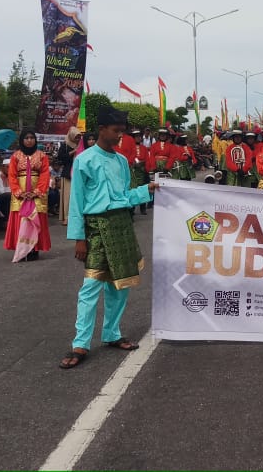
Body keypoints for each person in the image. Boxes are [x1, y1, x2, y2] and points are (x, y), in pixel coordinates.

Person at [60, 105, 158, 369]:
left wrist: (147, 189)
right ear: (102, 129)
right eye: (116, 131)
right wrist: (78, 238)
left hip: (121, 226)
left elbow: (124, 197)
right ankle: (80, 343)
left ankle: (112, 333)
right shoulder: (84, 159)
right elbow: (77, 201)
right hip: (96, 228)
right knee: (90, 286)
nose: (120, 137)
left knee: (120, 285)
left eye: (122, 132)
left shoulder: (121, 161)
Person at [4, 130, 51, 262]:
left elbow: (45, 175)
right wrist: (20, 192)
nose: (29, 140)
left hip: (36, 193)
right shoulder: (15, 156)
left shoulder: (42, 156)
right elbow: (12, 176)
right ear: (22, 140)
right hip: (21, 194)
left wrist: (36, 192)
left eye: (32, 138)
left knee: (36, 219)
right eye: (26, 138)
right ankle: (22, 249)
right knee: (21, 220)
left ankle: (34, 249)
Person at [55, 126, 81, 226]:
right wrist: (73, 151)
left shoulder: (81, 145)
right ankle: (67, 217)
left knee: (77, 196)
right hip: (68, 174)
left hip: (79, 174)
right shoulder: (65, 145)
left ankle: (77, 217)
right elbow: (61, 158)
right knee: (68, 197)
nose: (78, 139)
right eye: (76, 137)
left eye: (79, 137)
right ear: (71, 136)